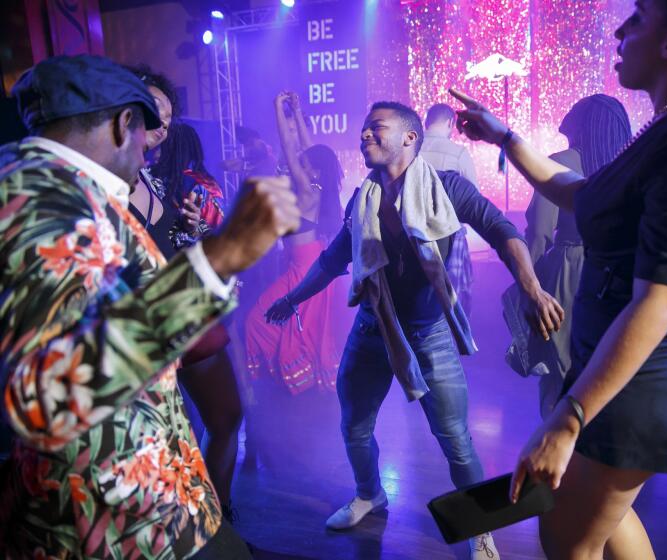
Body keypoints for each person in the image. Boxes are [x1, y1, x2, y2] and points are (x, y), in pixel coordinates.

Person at [451, 0, 667, 557]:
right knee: (605, 521)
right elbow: (576, 192)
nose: (620, 29)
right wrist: (504, 137)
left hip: (647, 383)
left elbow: (659, 302)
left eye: (637, 18)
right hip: (619, 374)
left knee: (566, 538)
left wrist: (567, 419)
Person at [0, 54, 299, 559]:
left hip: (147, 495)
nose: (149, 151)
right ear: (124, 124)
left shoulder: (66, 188)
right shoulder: (38, 196)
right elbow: (48, 397)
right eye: (146, 134)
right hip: (116, 522)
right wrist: (219, 256)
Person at [266, 100, 563, 560]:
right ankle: (370, 494)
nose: (364, 135)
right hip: (371, 331)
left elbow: (502, 228)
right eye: (363, 129)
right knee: (355, 427)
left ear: (410, 137)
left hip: (429, 335)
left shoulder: (447, 188)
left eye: (375, 128)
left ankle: (480, 529)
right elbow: (331, 262)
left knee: (457, 442)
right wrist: (290, 298)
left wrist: (532, 287)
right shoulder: (361, 198)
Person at [127, 68, 246, 526]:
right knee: (168, 438)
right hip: (145, 332)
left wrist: (194, 228)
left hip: (185, 316)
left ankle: (220, 517)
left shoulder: (155, 180)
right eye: (154, 110)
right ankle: (184, 526)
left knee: (227, 415)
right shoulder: (109, 185)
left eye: (169, 117)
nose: (162, 124)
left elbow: (173, 245)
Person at [523, 94, 631, 419]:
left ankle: (559, 452)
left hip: (570, 268)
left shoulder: (561, 161)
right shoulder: (629, 162)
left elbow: (540, 231)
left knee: (561, 367)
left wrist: (528, 282)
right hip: (621, 269)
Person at [245, 91, 344, 395]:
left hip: (304, 269)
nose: (298, 160)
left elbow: (291, 147)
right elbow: (311, 147)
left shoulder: (307, 188)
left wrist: (277, 107)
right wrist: (298, 113)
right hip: (308, 263)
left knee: (257, 319)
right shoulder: (317, 186)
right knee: (299, 325)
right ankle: (298, 376)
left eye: (304, 162)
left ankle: (270, 381)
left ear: (312, 169)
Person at [421, 103, 479, 315]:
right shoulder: (458, 153)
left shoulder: (409, 150)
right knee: (451, 302)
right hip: (450, 236)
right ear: (450, 123)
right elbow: (474, 199)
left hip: (411, 237)